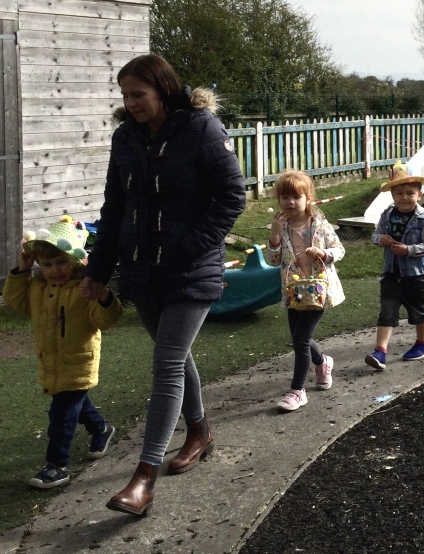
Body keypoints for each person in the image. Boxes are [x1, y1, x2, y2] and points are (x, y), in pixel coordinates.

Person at [80, 54, 246, 516]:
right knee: (177, 357)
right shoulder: (125, 138)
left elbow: (233, 195)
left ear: (163, 89)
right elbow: (115, 208)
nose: (131, 104)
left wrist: (193, 245)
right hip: (140, 271)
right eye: (125, 96)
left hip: (190, 270)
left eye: (139, 94)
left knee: (167, 363)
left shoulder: (200, 128)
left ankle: (143, 478)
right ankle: (200, 431)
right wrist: (97, 269)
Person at [2, 218, 123, 489]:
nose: (54, 270)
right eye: (46, 264)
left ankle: (57, 464)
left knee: (62, 415)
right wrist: (21, 271)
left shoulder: (85, 290)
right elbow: (15, 300)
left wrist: (103, 297)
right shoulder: (37, 289)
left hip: (78, 362)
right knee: (76, 406)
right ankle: (101, 429)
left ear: (75, 261)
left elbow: (106, 319)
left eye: (61, 262)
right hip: (51, 363)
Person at [265, 169, 346, 411]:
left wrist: (324, 254)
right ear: (278, 199)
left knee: (300, 340)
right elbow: (272, 260)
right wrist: (274, 234)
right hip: (294, 292)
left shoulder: (319, 224)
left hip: (320, 290)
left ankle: (297, 391)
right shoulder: (282, 226)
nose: (290, 202)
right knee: (300, 338)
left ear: (308, 198)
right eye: (285, 197)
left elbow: (339, 249)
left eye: (296, 197)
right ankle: (323, 363)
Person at [365, 161, 424, 371]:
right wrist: (382, 239)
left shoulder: (422, 218)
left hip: (415, 275)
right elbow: (375, 235)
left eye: (409, 193)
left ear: (419, 194)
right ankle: (380, 351)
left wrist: (408, 250)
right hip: (391, 273)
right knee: (386, 311)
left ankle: (421, 344)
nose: (404, 198)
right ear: (392, 195)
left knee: (418, 312)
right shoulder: (388, 214)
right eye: (398, 193)